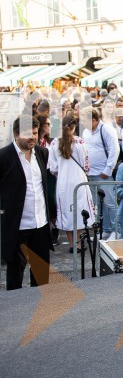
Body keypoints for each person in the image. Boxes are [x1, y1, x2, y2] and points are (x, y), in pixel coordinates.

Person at [0, 116, 56, 289]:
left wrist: (52, 214)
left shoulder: (42, 153)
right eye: (28, 134)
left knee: (41, 276)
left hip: (40, 225)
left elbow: (45, 187)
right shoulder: (4, 156)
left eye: (34, 133)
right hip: (17, 226)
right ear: (16, 134)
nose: (32, 137)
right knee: (15, 276)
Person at [48, 114, 96, 252]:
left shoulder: (54, 143)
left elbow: (53, 168)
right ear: (74, 127)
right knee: (80, 211)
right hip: (79, 181)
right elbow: (86, 166)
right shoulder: (80, 143)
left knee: (68, 213)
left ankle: (72, 244)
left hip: (63, 182)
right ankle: (78, 244)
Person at [81, 108, 119, 240]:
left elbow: (114, 149)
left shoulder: (106, 130)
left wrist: (107, 170)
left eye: (84, 120)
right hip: (91, 174)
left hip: (103, 174)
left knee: (110, 202)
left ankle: (116, 231)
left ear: (94, 119)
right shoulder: (86, 132)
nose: (82, 122)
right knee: (98, 204)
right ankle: (105, 230)